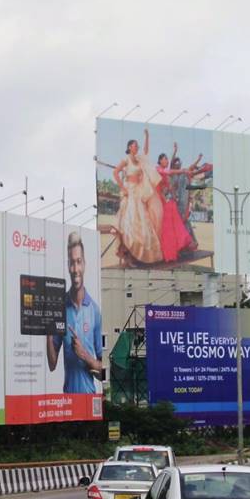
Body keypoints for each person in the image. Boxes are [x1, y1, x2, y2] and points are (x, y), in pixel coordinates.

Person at [46, 230, 103, 394]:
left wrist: (84, 355)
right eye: (72, 262)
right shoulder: (60, 308)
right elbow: (51, 364)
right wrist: (48, 328)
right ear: (68, 266)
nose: (75, 268)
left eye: (79, 262)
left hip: (90, 402)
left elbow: (103, 373)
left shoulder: (95, 311)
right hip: (68, 404)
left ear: (84, 264)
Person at [112, 129, 163, 265]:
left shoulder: (139, 159)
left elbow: (146, 151)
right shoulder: (126, 159)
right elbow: (115, 172)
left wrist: (147, 136)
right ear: (129, 147)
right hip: (129, 190)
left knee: (143, 221)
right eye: (135, 145)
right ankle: (128, 252)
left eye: (137, 146)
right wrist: (123, 188)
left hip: (138, 191)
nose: (137, 147)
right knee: (130, 220)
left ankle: (139, 254)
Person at [156, 151, 193, 262]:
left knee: (173, 227)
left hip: (167, 200)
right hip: (158, 199)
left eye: (167, 159)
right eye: (165, 159)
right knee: (167, 228)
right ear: (160, 160)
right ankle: (167, 252)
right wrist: (181, 170)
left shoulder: (167, 174)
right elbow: (169, 171)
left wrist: (174, 195)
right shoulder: (158, 169)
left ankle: (172, 252)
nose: (167, 161)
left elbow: (170, 187)